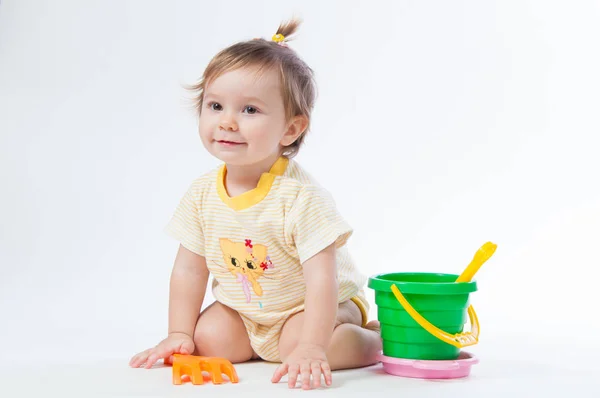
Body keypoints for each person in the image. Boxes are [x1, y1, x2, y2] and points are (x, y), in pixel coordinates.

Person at [129, 18, 382, 390]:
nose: (227, 122)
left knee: (299, 344)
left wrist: (313, 345)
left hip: (316, 308)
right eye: (215, 105)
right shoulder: (202, 194)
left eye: (249, 110)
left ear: (290, 129)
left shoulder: (300, 198)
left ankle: (374, 338)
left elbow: (321, 281)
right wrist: (178, 332)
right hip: (248, 310)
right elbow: (189, 270)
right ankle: (264, 344)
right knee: (208, 341)